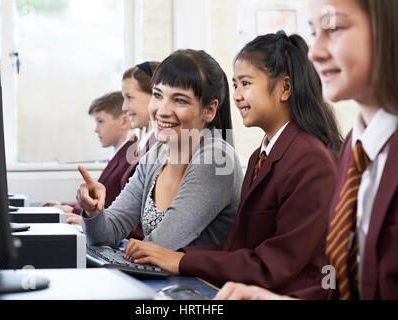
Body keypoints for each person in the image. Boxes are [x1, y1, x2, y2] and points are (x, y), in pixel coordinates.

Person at [122, 31, 343, 299]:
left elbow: (275, 263)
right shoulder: (260, 156)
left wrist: (179, 260)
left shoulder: (310, 160)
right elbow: (240, 248)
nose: (237, 95)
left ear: (285, 88)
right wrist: (176, 257)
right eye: (235, 85)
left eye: (246, 83)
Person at [215, 0, 398, 300]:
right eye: (315, 32)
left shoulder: (319, 156)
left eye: (335, 28)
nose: (314, 52)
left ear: (390, 30)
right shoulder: (357, 149)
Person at [76, 49, 244, 251]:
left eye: (179, 100)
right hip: (161, 281)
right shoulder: (156, 155)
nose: (162, 111)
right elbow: (107, 235)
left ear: (209, 110)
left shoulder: (216, 159)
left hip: (200, 283)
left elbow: (159, 248)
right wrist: (93, 212)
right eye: (157, 95)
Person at [42, 91, 135, 225]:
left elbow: (111, 209)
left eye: (101, 121)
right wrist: (69, 207)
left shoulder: (129, 158)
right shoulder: (119, 154)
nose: (96, 129)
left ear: (124, 121)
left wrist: (75, 212)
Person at [120, 61, 160, 239]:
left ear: (154, 95)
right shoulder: (146, 143)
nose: (124, 107)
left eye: (130, 98)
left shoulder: (163, 146)